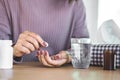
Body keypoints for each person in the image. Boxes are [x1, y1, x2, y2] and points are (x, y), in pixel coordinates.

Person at [0, 0, 89, 67]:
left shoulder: (76, 4)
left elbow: (84, 51)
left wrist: (68, 56)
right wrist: (12, 51)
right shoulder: (6, 2)